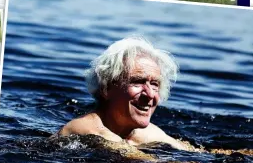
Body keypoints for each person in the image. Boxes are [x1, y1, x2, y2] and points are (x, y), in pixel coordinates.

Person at [58, 37, 194, 150]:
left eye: (154, 84)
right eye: (138, 82)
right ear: (107, 88)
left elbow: (195, 153)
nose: (150, 94)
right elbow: (137, 157)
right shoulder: (89, 130)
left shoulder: (147, 134)